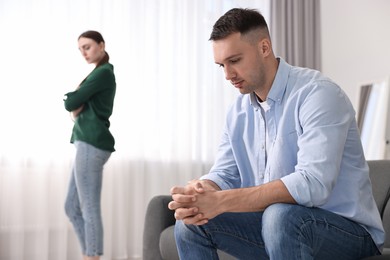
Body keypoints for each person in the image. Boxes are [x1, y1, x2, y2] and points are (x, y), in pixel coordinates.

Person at [168, 8, 384, 259]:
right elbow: (226, 173)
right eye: (221, 66)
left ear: (264, 48)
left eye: (235, 61)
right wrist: (203, 190)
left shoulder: (318, 94)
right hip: (279, 227)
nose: (228, 75)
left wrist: (222, 201)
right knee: (191, 223)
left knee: (279, 215)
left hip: (348, 232)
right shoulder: (238, 112)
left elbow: (313, 184)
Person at [63, 30, 116, 260]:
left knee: (88, 207)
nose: (84, 52)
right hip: (86, 144)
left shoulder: (104, 72)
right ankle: (89, 254)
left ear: (101, 45)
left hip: (91, 144)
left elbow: (71, 102)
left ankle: (92, 256)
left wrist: (73, 100)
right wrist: (75, 103)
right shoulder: (99, 72)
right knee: (71, 206)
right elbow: (75, 104)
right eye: (80, 49)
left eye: (87, 46)